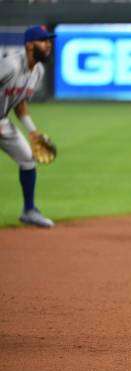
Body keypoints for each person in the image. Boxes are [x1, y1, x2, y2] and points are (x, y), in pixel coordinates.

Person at [0, 25, 55, 228]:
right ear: (29, 44)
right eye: (43, 40)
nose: (48, 44)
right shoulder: (10, 65)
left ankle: (29, 211)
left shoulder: (38, 71)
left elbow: (20, 103)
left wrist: (32, 131)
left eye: (49, 40)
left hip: (2, 122)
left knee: (27, 159)